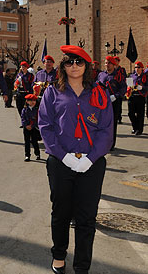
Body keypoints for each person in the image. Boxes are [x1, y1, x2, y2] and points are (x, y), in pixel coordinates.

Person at [38, 45, 113, 274]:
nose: (74, 66)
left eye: (79, 62)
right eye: (69, 62)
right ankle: (59, 255)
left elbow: (106, 129)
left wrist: (90, 159)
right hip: (61, 163)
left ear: (87, 66)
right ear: (63, 66)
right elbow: (45, 126)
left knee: (86, 217)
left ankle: (82, 266)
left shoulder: (99, 93)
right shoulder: (52, 92)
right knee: (60, 213)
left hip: (92, 163)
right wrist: (63, 157)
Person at [97, 56, 126, 150]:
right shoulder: (101, 74)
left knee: (112, 124)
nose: (107, 65)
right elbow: (96, 85)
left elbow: (123, 88)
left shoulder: (118, 75)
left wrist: (116, 96)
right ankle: (102, 142)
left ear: (114, 65)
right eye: (106, 63)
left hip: (114, 102)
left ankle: (111, 144)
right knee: (101, 123)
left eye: (109, 63)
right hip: (102, 102)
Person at [127, 62, 148, 135]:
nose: (137, 69)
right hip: (132, 96)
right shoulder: (132, 76)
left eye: (138, 67)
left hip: (140, 96)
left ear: (142, 68)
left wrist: (142, 87)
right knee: (131, 113)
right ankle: (134, 126)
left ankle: (139, 129)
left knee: (140, 114)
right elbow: (128, 85)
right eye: (136, 67)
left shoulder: (145, 76)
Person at [21, 93, 41, 161]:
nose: (32, 102)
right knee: (27, 142)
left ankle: (37, 154)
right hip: (26, 128)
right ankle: (27, 155)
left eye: (34, 100)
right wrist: (26, 125)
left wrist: (32, 126)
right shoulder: (25, 109)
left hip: (34, 128)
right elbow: (23, 118)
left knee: (34, 141)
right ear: (27, 101)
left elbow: (38, 119)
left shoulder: (37, 109)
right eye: (30, 101)